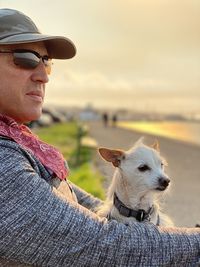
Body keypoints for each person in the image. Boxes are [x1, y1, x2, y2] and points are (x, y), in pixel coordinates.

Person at [0, 8, 199, 267]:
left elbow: (80, 204)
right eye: (25, 58)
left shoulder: (17, 142)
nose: (43, 75)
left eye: (46, 61)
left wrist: (140, 216)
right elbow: (101, 244)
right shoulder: (4, 164)